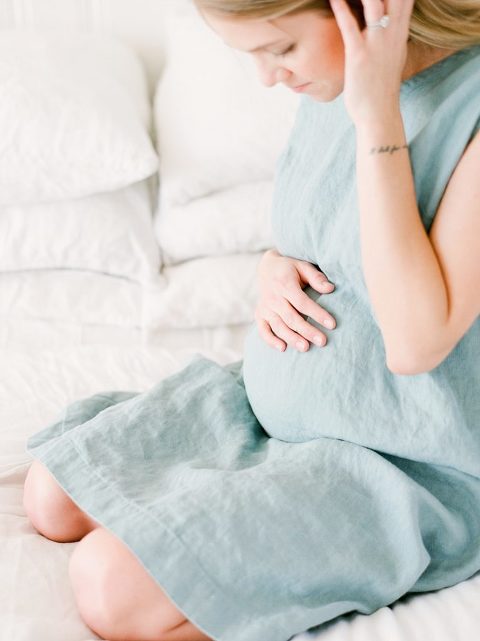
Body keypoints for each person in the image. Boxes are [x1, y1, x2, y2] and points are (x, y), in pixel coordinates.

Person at [23, 2, 480, 641]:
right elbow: (333, 237)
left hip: (397, 459)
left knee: (110, 587)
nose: (268, 77)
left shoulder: (447, 108)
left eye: (281, 49)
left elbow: (414, 342)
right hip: (269, 408)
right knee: (51, 492)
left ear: (367, 12)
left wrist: (377, 114)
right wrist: (270, 267)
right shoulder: (327, 84)